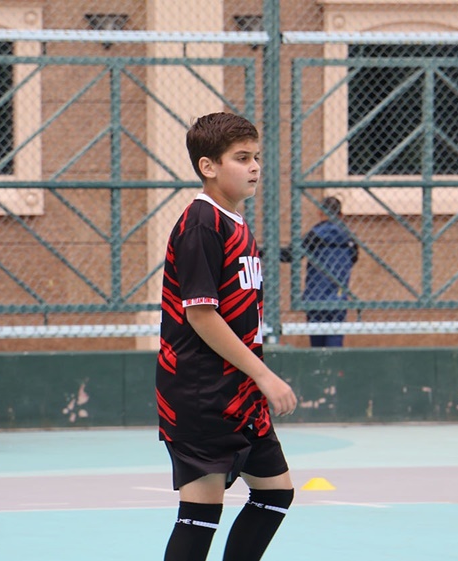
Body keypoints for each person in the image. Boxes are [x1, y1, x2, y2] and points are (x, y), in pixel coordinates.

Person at [156, 112, 298, 561]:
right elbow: (202, 316)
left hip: (237, 391)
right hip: (201, 391)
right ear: (208, 166)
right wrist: (265, 375)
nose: (254, 166)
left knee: (275, 494)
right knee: (200, 515)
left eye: (256, 157)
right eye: (241, 158)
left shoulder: (234, 222)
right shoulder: (202, 223)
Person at [293, 196, 358, 347]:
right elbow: (354, 258)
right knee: (335, 342)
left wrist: (263, 252)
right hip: (338, 297)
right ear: (340, 215)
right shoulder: (349, 237)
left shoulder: (315, 234)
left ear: (320, 212)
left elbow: (293, 254)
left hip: (315, 296)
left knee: (317, 345)